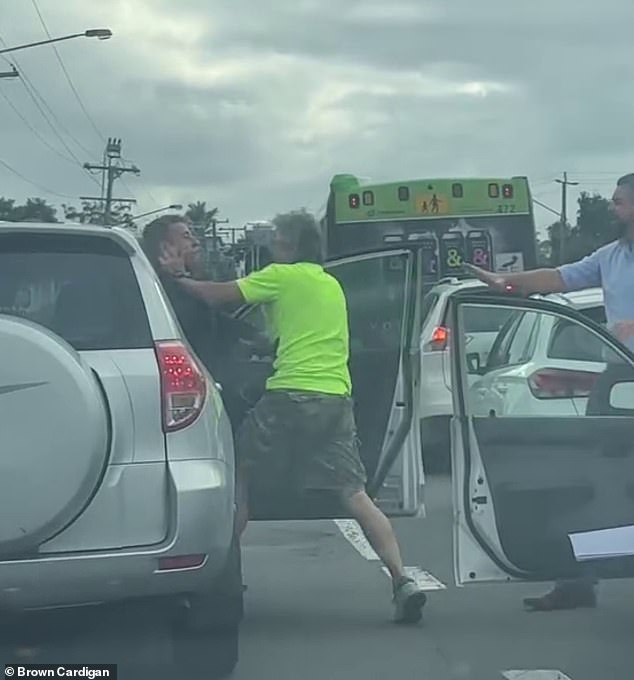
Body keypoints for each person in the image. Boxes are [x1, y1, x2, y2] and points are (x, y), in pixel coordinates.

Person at [158, 214, 429, 624]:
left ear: (288, 244)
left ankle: (214, 578)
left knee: (240, 478)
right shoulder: (328, 283)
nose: (272, 245)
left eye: (277, 239)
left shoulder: (280, 276)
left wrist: (178, 279)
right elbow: (279, 336)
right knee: (355, 494)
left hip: (289, 395)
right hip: (336, 398)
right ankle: (401, 579)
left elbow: (220, 295)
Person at [466, 172, 634, 612]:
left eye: (619, 201)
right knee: (593, 480)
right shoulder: (611, 256)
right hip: (619, 376)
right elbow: (559, 278)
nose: (613, 207)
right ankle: (578, 580)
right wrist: (503, 282)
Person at [141, 215, 265, 429]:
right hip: (187, 404)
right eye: (186, 237)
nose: (196, 242)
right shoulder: (160, 290)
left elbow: (219, 322)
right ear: (166, 248)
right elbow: (197, 324)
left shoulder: (183, 287)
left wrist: (257, 338)